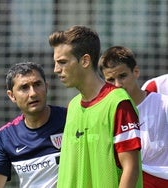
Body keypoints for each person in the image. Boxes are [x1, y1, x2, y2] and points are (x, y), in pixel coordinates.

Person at [48, 25, 142, 188]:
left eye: (62, 62)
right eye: (56, 63)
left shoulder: (119, 103)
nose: (56, 69)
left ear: (84, 60)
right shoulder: (73, 107)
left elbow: (131, 167)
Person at [98, 46, 168, 188]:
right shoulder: (103, 113)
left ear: (135, 72)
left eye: (122, 76)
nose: (117, 85)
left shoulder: (163, 104)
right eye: (110, 79)